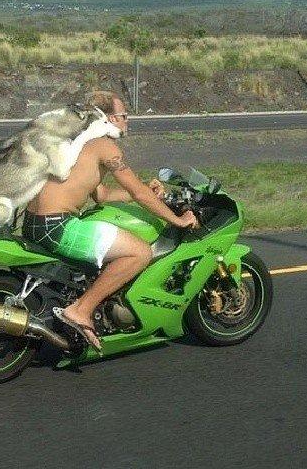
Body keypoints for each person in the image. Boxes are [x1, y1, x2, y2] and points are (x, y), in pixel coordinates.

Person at [22, 90, 198, 351]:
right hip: (56, 226)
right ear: (109, 118)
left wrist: (146, 192)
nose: (127, 120)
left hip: (35, 223)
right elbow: (138, 193)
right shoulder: (105, 147)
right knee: (139, 252)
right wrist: (178, 220)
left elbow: (102, 195)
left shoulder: (77, 142)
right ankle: (80, 310)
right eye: (123, 115)